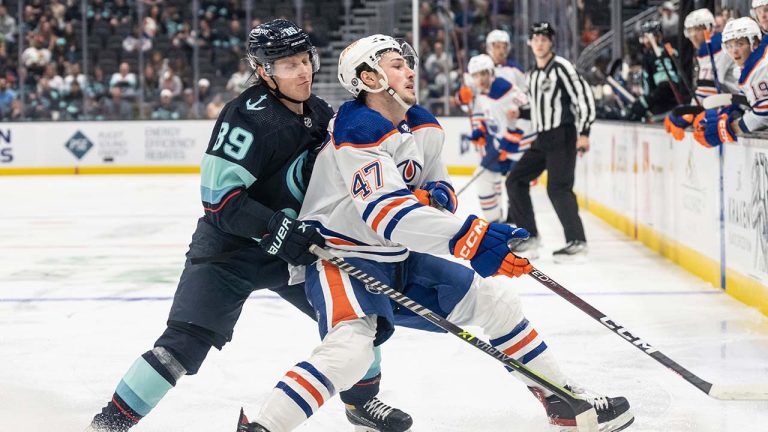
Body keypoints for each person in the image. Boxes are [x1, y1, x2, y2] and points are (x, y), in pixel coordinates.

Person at [238, 33, 632, 432]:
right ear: (369, 78)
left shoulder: (419, 123)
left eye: (407, 62)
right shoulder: (357, 129)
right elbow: (386, 214)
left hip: (396, 259)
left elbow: (438, 190)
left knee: (495, 302)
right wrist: (471, 237)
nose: (410, 70)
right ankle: (263, 427)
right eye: (396, 64)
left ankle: (564, 402)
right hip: (343, 259)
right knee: (352, 350)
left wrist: (438, 199)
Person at [87, 19, 410, 432]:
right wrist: (278, 229)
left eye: (305, 60)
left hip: (294, 252)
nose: (304, 72)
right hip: (230, 252)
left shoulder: (320, 111)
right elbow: (219, 200)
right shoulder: (245, 117)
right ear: (264, 71)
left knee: (357, 318)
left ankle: (361, 404)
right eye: (289, 64)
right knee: (181, 347)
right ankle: (106, 425)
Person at [504, 22, 595, 262]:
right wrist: (520, 114)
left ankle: (577, 242)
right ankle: (530, 236)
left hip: (563, 135)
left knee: (558, 187)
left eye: (544, 39)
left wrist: (584, 132)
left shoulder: (562, 67)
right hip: (542, 138)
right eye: (536, 39)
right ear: (530, 42)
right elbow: (537, 108)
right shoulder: (532, 74)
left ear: (551, 42)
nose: (540, 43)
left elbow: (583, 97)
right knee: (515, 180)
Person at [465, 53, 529, 223]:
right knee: (485, 178)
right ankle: (495, 222)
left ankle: (519, 226)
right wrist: (482, 131)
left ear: (491, 73)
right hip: (503, 146)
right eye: (476, 75)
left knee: (514, 185)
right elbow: (494, 119)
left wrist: (510, 145)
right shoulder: (484, 93)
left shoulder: (503, 89)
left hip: (518, 149)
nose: (481, 79)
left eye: (484, 73)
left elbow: (526, 117)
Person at [664, 8, 738, 141]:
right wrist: (686, 111)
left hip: (738, 107)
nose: (693, 35)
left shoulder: (718, 46)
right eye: (690, 30)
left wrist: (690, 112)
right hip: (725, 103)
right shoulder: (703, 51)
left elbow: (710, 89)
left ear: (709, 28)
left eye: (697, 29)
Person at [694, 18, 768, 147]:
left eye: (739, 44)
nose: (734, 51)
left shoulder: (760, 67)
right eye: (729, 46)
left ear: (755, 42)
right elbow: (747, 102)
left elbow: (763, 116)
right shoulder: (749, 65)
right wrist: (725, 114)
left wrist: (727, 129)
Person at [627, 20, 686, 121]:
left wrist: (645, 102)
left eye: (646, 37)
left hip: (665, 111)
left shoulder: (660, 54)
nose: (644, 41)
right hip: (660, 110)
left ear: (657, 37)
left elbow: (667, 86)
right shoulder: (653, 54)